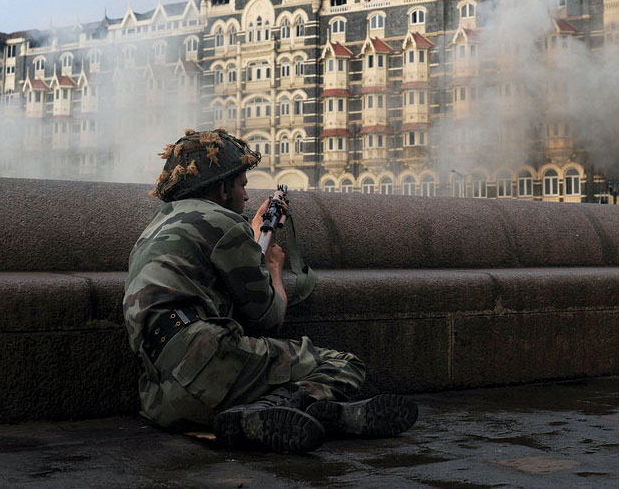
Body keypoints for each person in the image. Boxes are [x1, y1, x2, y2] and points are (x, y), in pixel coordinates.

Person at [124, 128, 417, 453]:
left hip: (162, 397)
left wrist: (250, 240)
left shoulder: (153, 227)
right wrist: (275, 268)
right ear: (222, 188)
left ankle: (293, 417)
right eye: (242, 185)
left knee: (254, 373)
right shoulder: (223, 221)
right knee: (343, 363)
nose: (246, 197)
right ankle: (272, 411)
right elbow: (267, 316)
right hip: (208, 364)